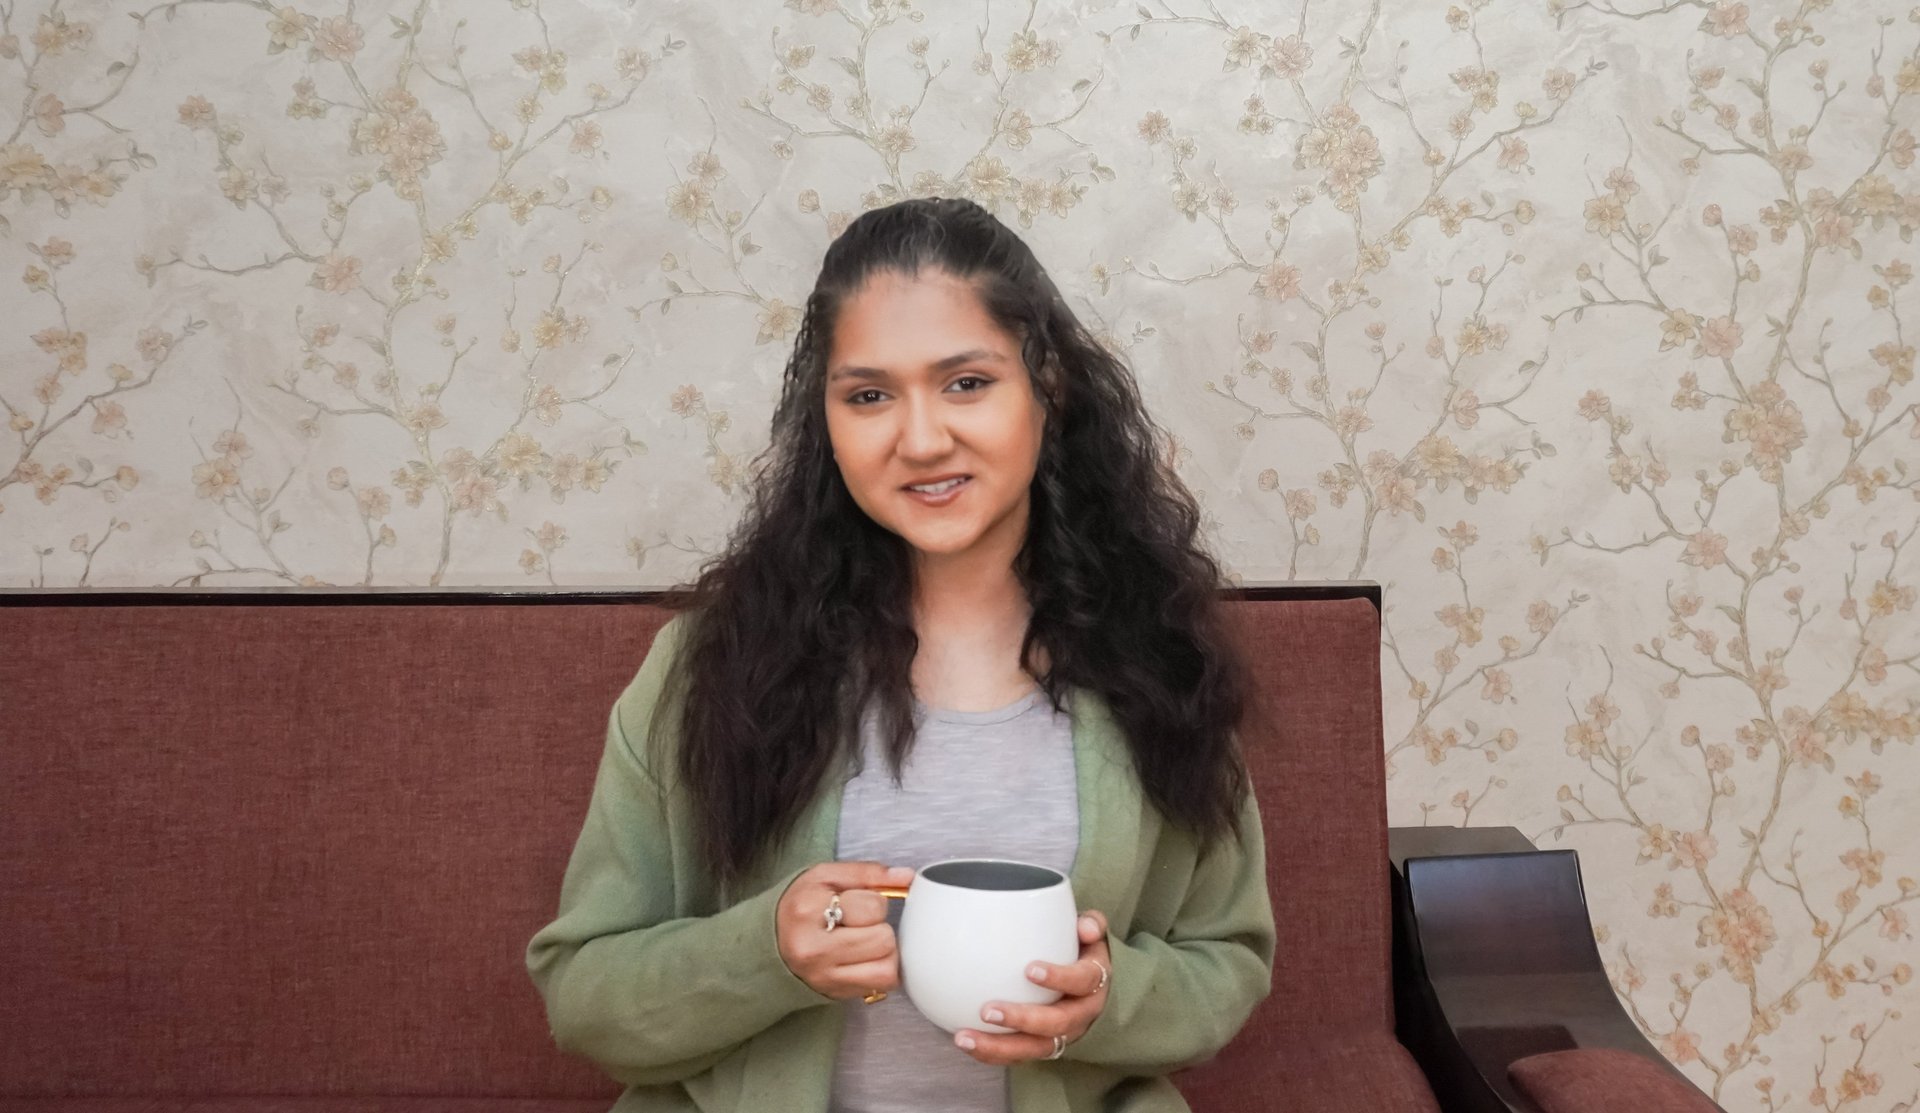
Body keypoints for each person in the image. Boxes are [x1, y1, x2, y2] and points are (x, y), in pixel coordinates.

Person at [525, 197, 1275, 1113]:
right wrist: (767, 953)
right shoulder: (709, 665)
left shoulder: (1156, 658)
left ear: (1049, 384)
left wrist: (1109, 999)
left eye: (967, 382)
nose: (921, 440)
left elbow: (1227, 958)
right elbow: (583, 996)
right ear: (828, 419)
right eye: (870, 394)